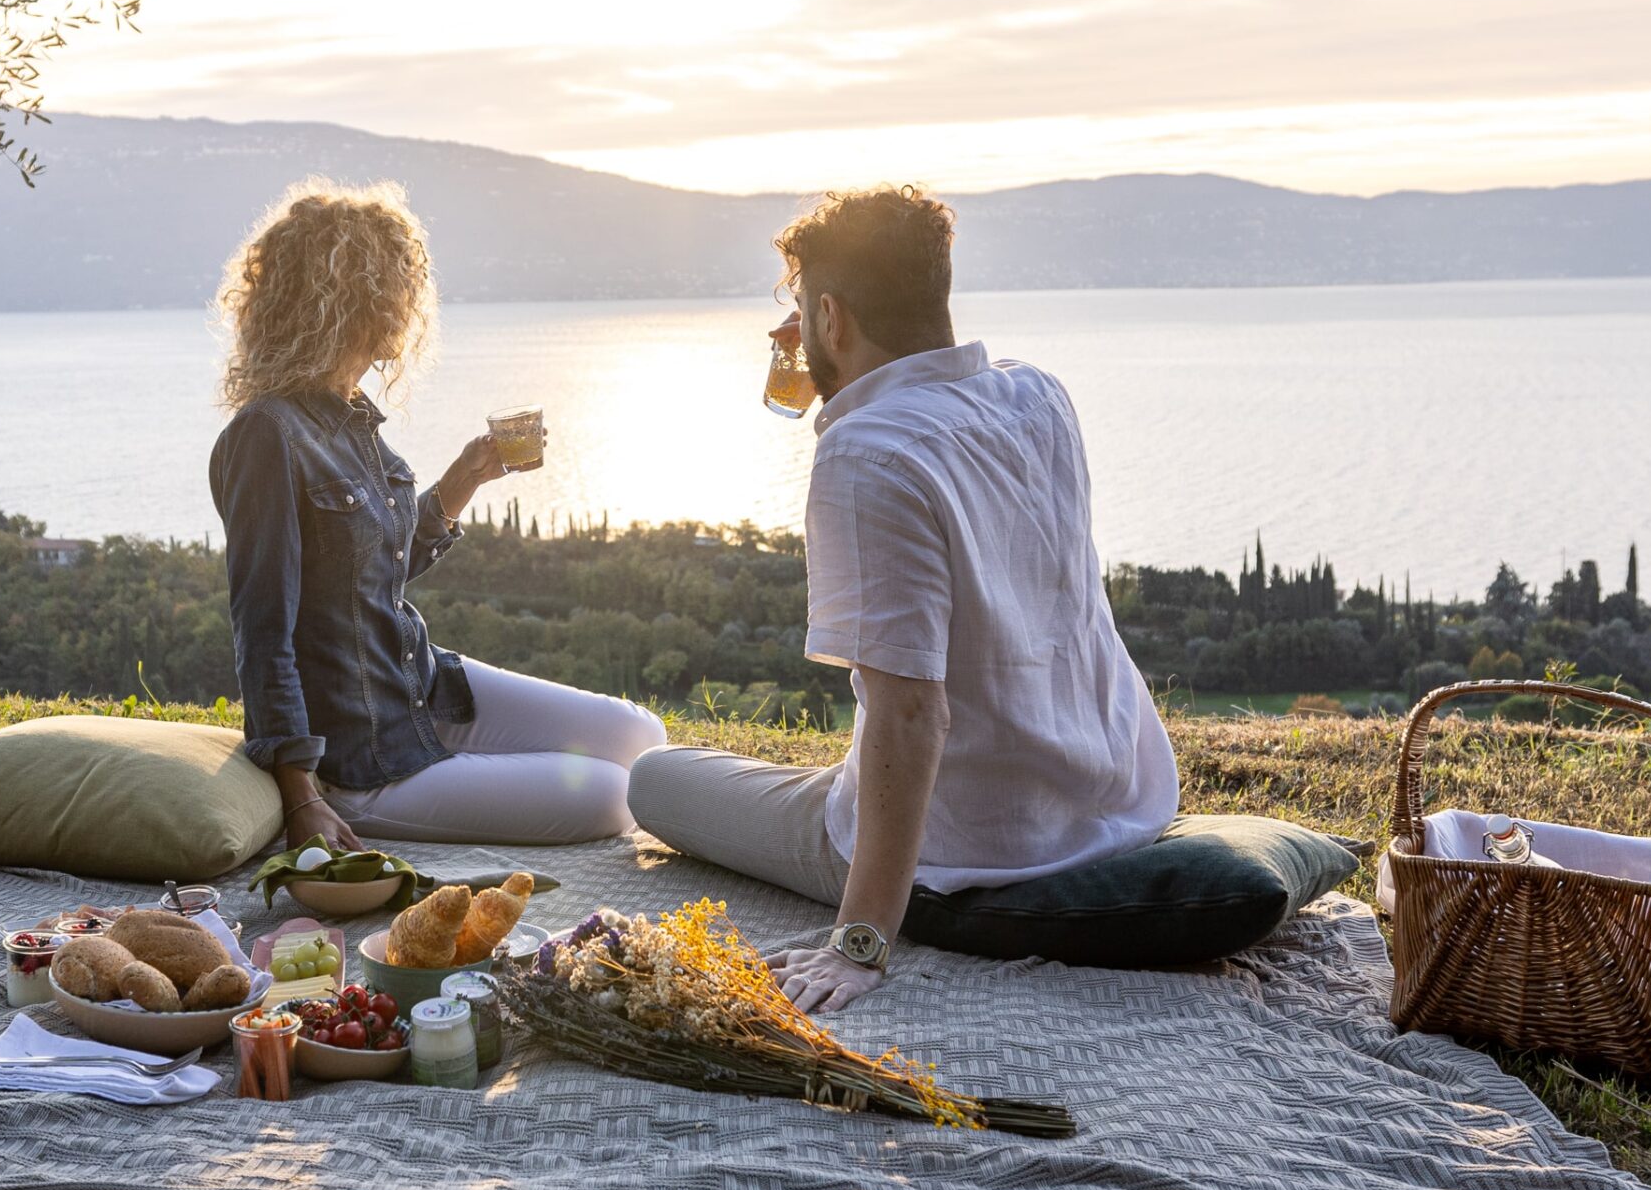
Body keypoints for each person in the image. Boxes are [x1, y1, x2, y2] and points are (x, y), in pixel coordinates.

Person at [628, 186, 1178, 1012]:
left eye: (807, 313)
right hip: (1110, 794)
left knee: (654, 777)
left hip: (976, 841)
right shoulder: (1039, 395)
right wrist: (838, 365)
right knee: (825, 762)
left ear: (830, 316)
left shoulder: (866, 453)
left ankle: (853, 837)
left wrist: (860, 945)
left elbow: (912, 715)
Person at [210, 180, 666, 849]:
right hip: (362, 758)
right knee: (612, 793)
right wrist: (302, 799)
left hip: (421, 684)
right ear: (348, 298)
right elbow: (263, 634)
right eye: (396, 281)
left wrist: (464, 479)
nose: (410, 301)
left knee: (639, 738)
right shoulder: (268, 436)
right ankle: (376, 797)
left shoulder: (353, 417)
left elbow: (375, 571)